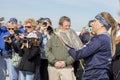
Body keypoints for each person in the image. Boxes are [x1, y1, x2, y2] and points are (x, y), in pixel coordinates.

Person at [67, 12, 117, 80]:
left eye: (95, 21)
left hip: (94, 76)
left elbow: (78, 54)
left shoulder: (100, 39)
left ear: (102, 24)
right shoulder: (105, 38)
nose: (91, 24)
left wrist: (65, 44)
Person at [46, 16, 77, 80]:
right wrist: (54, 62)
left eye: (69, 26)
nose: (68, 27)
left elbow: (76, 52)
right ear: (60, 25)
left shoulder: (72, 37)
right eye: (66, 26)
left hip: (67, 68)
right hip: (53, 68)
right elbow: (47, 50)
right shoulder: (52, 36)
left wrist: (66, 62)